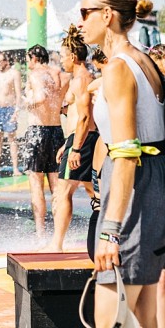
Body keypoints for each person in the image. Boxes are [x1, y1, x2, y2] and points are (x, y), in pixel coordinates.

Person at [80, 0, 165, 328]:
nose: (80, 22)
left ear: (107, 15)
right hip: (151, 193)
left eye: (85, 13)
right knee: (144, 319)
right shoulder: (143, 60)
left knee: (112, 326)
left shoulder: (119, 68)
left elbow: (125, 154)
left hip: (133, 195)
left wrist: (109, 231)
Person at [47, 26, 97, 252]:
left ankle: (57, 244)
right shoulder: (79, 78)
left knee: (63, 191)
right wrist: (67, 144)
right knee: (92, 191)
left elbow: (85, 116)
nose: (61, 61)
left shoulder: (81, 79)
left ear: (74, 56)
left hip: (83, 139)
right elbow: (77, 114)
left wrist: (75, 148)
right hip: (77, 138)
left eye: (63, 56)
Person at [21, 44, 66, 242]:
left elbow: (40, 97)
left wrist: (27, 103)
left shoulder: (35, 75)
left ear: (33, 58)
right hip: (56, 130)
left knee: (36, 184)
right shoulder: (60, 74)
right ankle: (59, 234)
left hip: (37, 131)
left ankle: (40, 234)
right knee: (56, 186)